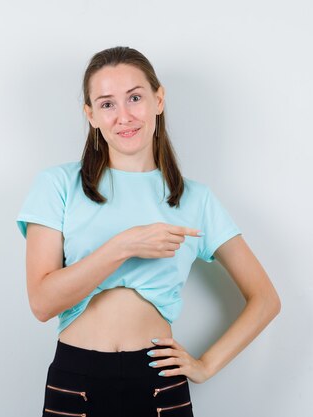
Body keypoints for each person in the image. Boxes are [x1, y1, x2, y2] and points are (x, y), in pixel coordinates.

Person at [16, 46, 281, 417]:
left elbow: (266, 299)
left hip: (159, 381)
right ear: (90, 115)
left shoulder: (195, 200)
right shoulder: (58, 185)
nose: (123, 116)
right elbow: (42, 303)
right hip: (76, 379)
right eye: (107, 104)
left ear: (158, 99)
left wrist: (205, 366)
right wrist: (124, 245)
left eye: (135, 98)